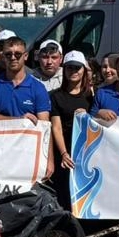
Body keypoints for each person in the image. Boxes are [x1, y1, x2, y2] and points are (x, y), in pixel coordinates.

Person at [50, 51, 94, 210]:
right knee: (64, 197)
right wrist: (64, 153)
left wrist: (88, 116)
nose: (74, 71)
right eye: (70, 67)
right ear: (64, 70)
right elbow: (56, 127)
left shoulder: (92, 96)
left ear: (84, 70)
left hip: (88, 154)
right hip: (65, 154)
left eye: (77, 68)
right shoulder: (55, 96)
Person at [0, 35, 51, 125]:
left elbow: (44, 123)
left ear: (25, 56)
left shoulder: (38, 88)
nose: (13, 58)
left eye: (18, 54)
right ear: (3, 57)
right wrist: (19, 120)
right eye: (8, 54)